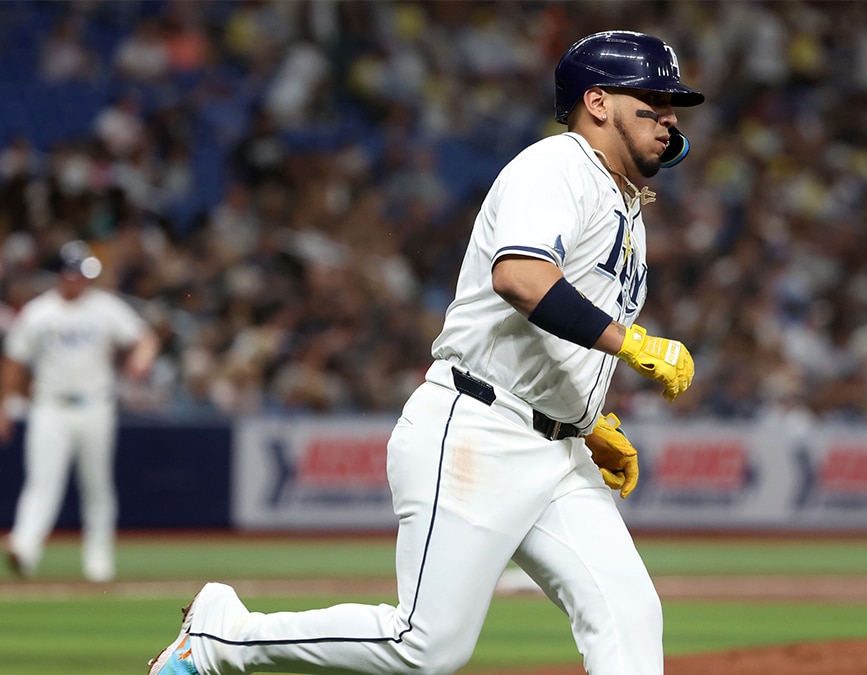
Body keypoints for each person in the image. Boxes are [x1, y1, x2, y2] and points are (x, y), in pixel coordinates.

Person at [148, 30, 702, 675]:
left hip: (554, 450)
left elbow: (548, 326)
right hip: (477, 430)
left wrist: (584, 416)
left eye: (673, 106)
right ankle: (222, 638)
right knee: (426, 647)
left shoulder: (622, 199)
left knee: (628, 612)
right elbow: (521, 278)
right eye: (654, 101)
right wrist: (631, 344)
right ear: (598, 102)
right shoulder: (557, 167)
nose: (669, 118)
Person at [2, 240, 160, 582]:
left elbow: (145, 338)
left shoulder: (104, 307)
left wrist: (140, 358)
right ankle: (24, 548)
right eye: (75, 273)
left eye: (85, 274)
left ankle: (98, 562)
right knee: (42, 482)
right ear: (62, 274)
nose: (80, 281)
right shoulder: (39, 312)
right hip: (49, 406)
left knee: (97, 486)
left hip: (94, 406)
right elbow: (13, 361)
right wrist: (2, 405)